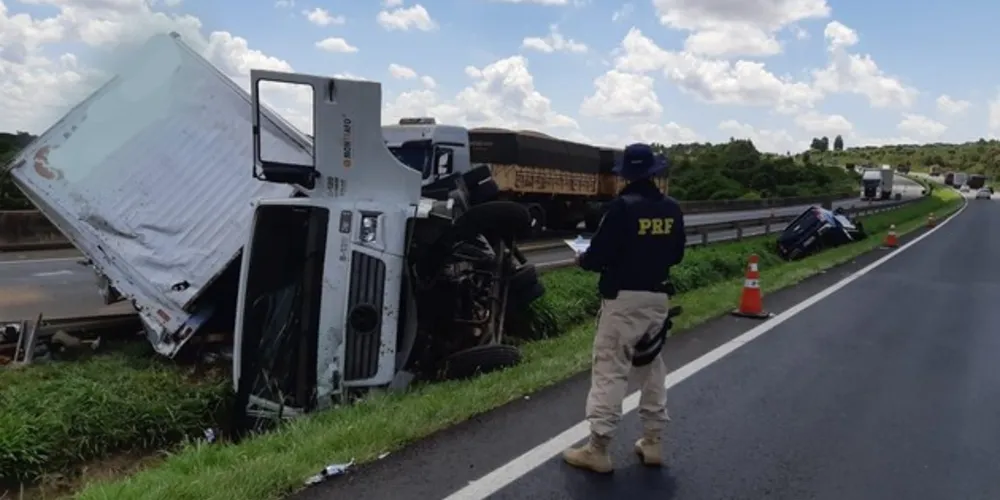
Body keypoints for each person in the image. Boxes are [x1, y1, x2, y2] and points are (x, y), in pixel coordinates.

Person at [562, 142, 686, 473]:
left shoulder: (621, 209)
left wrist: (583, 259)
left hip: (623, 301)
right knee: (651, 368)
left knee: (610, 369)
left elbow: (598, 256)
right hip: (657, 300)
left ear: (626, 177)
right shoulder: (672, 208)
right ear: (654, 173)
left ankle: (598, 449)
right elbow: (677, 255)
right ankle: (653, 441)